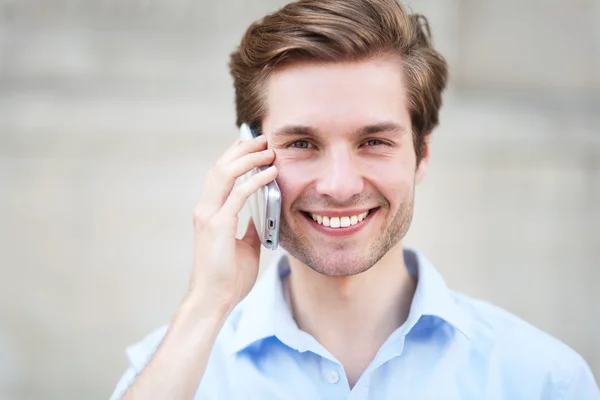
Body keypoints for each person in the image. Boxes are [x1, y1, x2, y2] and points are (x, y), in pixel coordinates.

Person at [110, 0, 600, 398]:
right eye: (302, 143)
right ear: (249, 158)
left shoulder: (542, 380)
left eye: (374, 141)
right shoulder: (174, 370)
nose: (340, 186)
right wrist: (206, 304)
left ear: (421, 154)